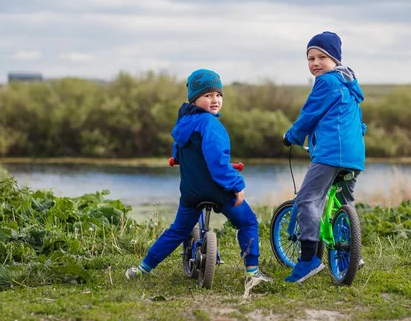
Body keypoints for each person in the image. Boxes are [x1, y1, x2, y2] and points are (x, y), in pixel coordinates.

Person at [126, 69, 272, 290]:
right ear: (195, 98)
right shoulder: (210, 124)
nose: (215, 100)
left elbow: (180, 146)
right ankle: (252, 272)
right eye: (208, 95)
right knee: (248, 221)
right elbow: (217, 162)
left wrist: (177, 159)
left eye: (218, 95)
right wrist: (236, 184)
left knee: (178, 230)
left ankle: (143, 269)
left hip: (191, 192)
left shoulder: (184, 122)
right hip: (217, 190)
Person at [282, 31, 367, 283]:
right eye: (310, 58)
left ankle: (308, 260)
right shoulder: (349, 85)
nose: (316, 63)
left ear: (335, 60)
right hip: (354, 154)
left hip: (330, 154)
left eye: (322, 57)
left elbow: (309, 115)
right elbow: (360, 124)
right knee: (343, 200)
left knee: (308, 199)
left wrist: (291, 136)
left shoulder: (327, 82)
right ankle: (352, 253)